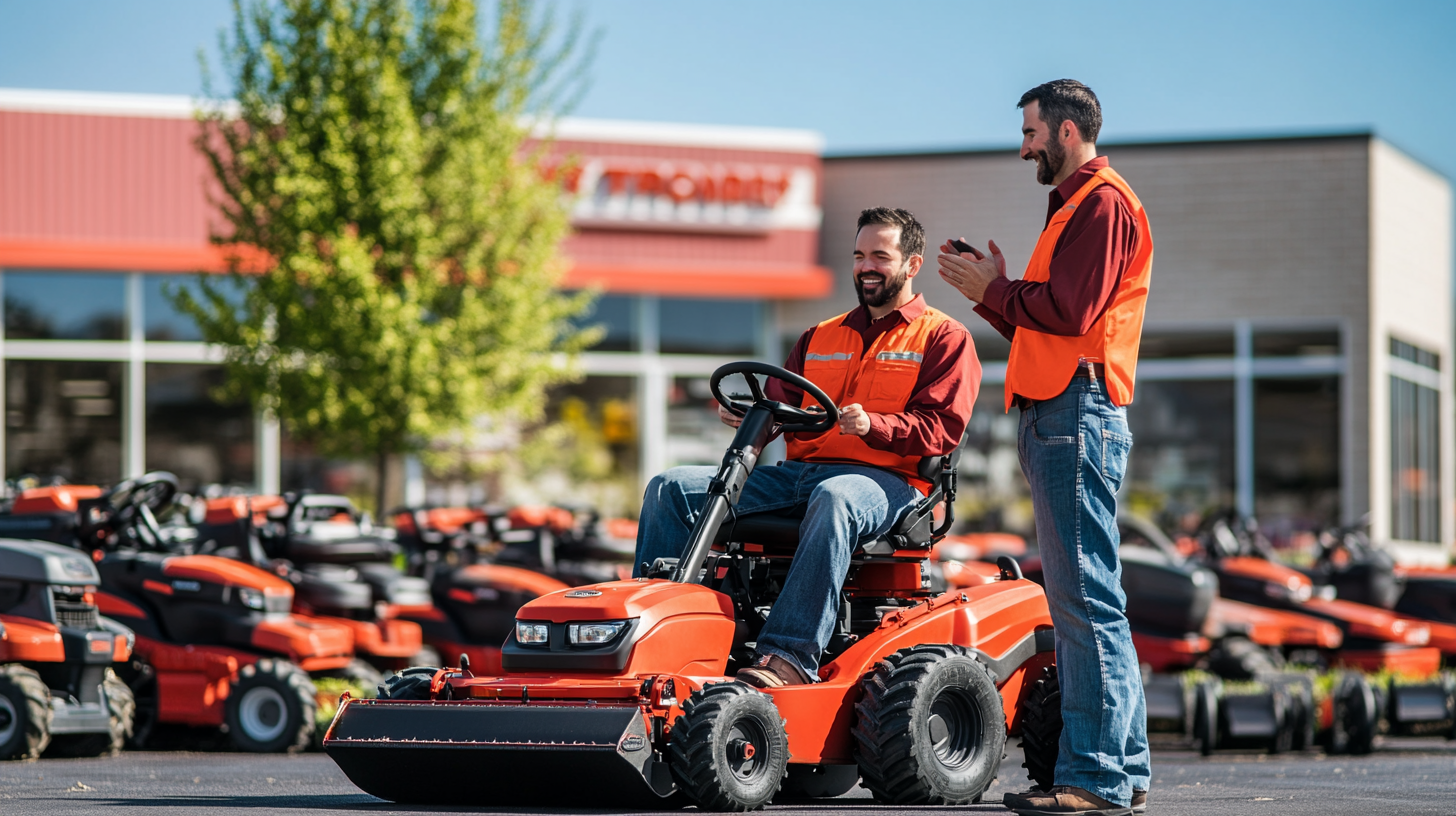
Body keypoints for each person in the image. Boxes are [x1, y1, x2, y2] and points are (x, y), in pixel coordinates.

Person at [633, 207, 980, 688]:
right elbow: (780, 405)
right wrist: (751, 415)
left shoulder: (945, 337)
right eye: (859, 255)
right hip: (801, 476)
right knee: (671, 487)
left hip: (893, 485)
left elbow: (941, 429)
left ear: (912, 264)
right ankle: (659, 634)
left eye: (881, 255)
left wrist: (874, 425)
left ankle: (789, 657)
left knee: (835, 498)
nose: (866, 266)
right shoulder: (819, 336)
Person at [937, 80, 1154, 816]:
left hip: (1076, 412)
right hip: (1064, 410)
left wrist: (998, 289)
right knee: (1089, 597)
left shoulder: (1101, 203)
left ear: (1066, 131)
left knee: (1084, 600)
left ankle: (1095, 782)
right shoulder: (1077, 207)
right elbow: (1051, 324)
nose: (1023, 144)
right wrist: (993, 291)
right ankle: (1119, 773)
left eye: (1030, 131)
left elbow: (1068, 311)